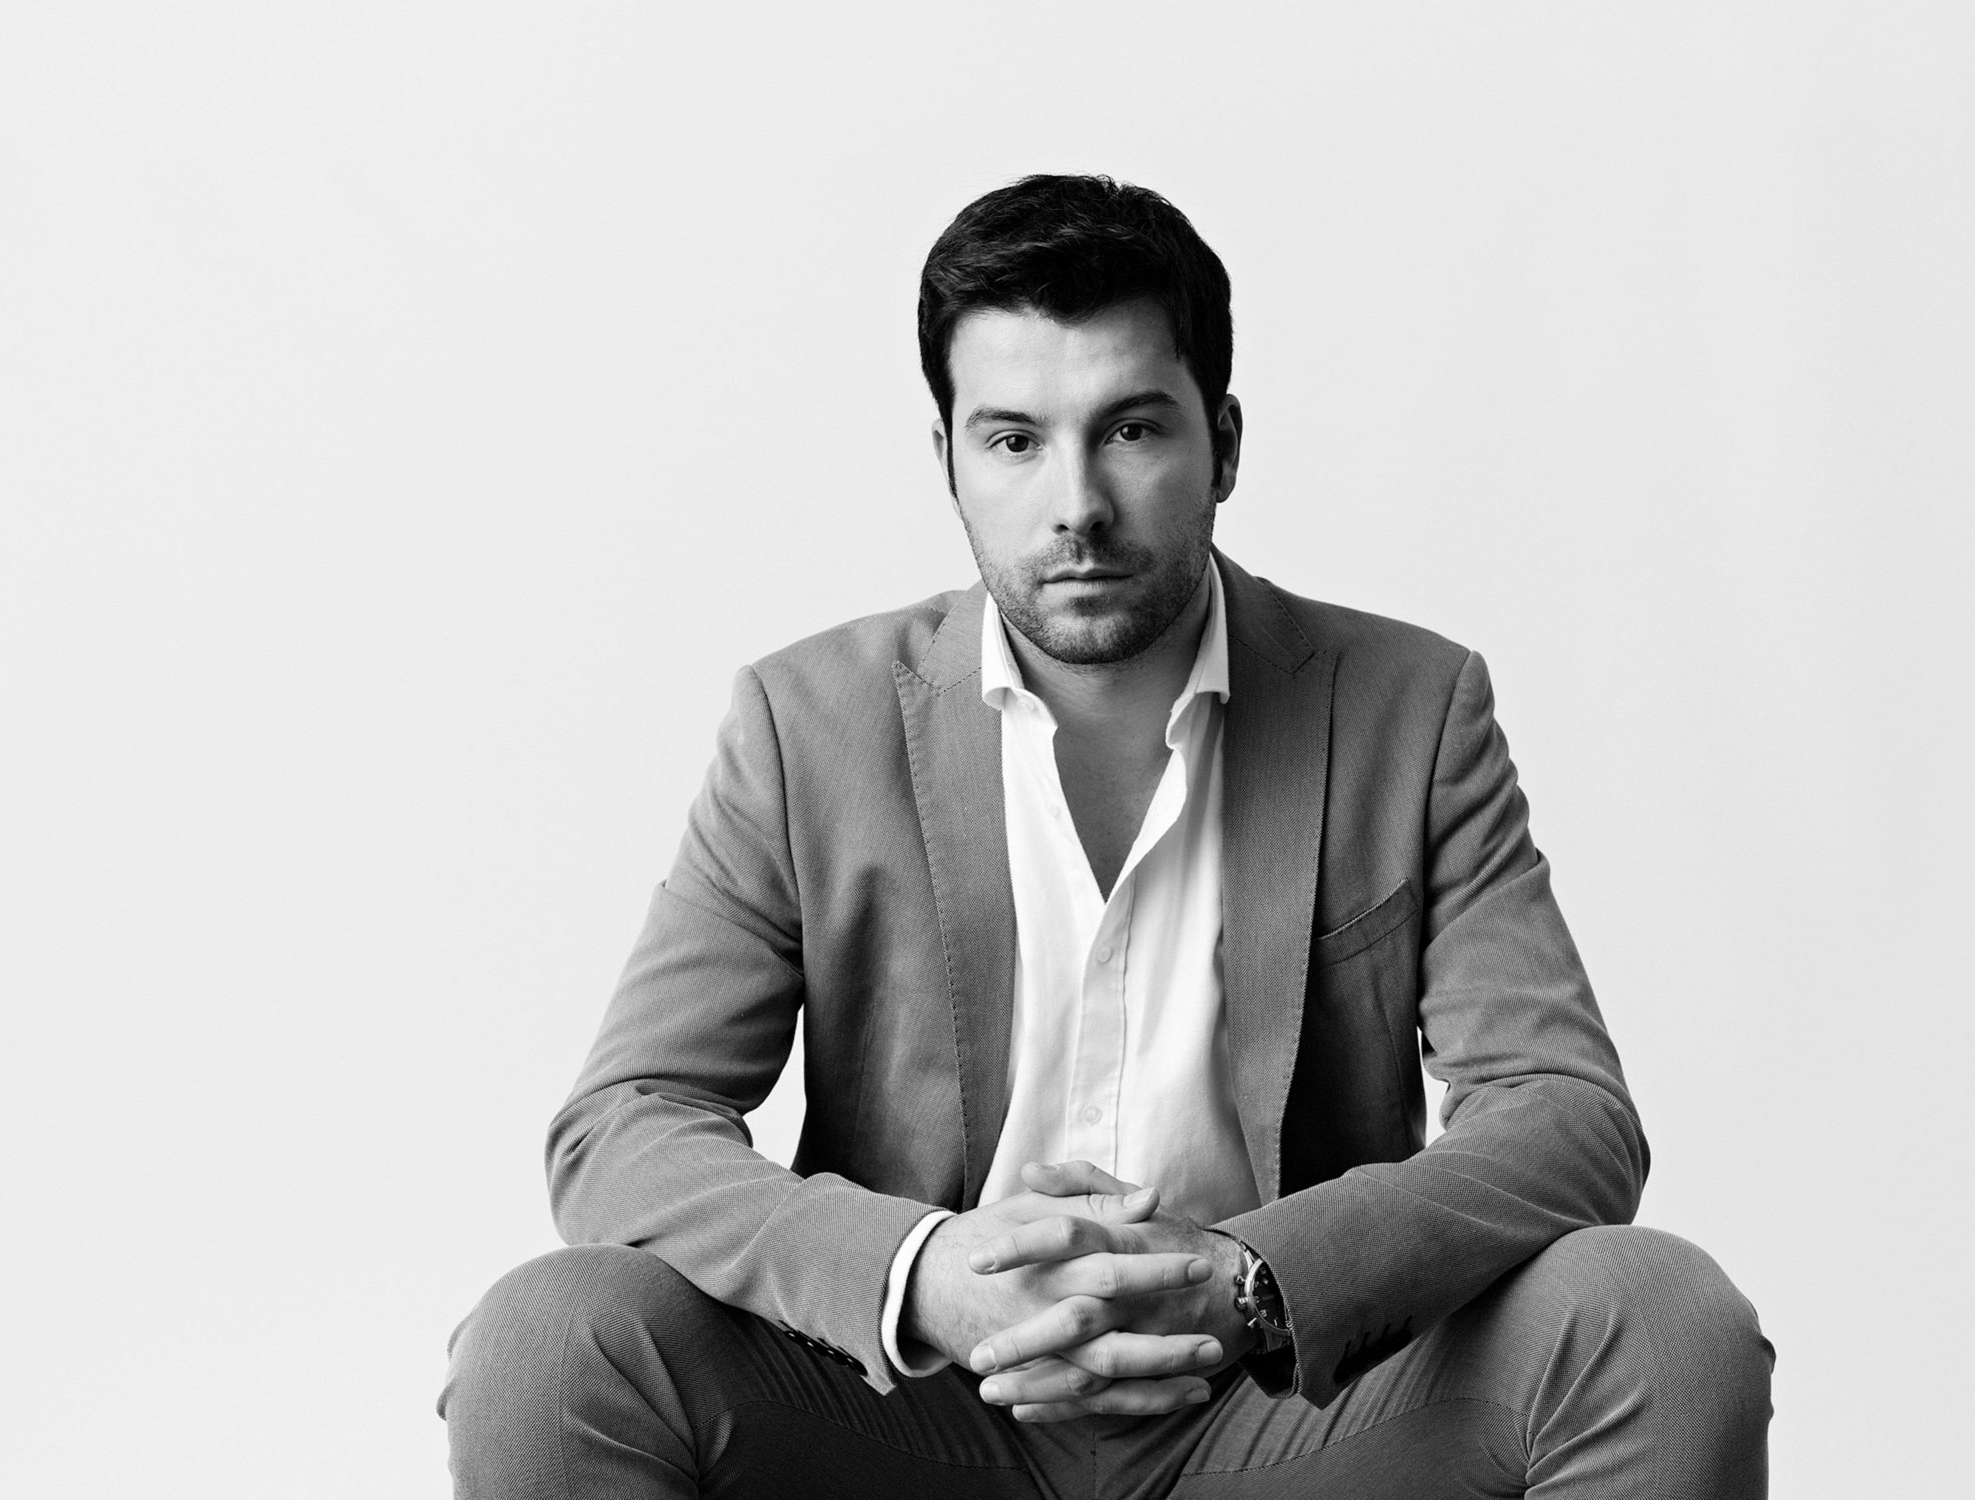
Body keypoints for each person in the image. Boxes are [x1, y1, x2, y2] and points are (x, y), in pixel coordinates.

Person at [440, 174, 1774, 1498]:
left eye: (1130, 430)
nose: (1075, 505)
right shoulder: (806, 723)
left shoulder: (1405, 710)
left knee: (1653, 1317)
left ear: (1224, 442)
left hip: (1284, 1413)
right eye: (1014, 441)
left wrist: (1252, 1284)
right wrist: (922, 1274)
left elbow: (1565, 1117)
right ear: (948, 458)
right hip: (907, 1421)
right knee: (552, 1339)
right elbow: (624, 1125)